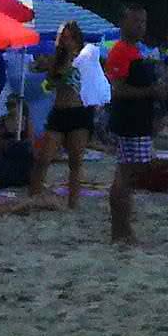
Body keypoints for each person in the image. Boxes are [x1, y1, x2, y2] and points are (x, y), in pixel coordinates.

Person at [103, 8, 158, 245]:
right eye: (135, 21)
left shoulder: (135, 51)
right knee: (126, 175)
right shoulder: (120, 52)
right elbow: (118, 89)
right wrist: (151, 91)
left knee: (130, 174)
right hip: (129, 121)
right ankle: (120, 231)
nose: (140, 26)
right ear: (123, 22)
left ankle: (124, 229)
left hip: (139, 120)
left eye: (143, 21)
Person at [52, 32, 107, 208]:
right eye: (63, 37)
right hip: (60, 111)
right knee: (44, 157)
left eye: (69, 37)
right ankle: (36, 194)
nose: (66, 41)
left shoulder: (86, 58)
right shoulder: (56, 62)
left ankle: (73, 202)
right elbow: (48, 86)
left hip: (80, 111)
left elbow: (94, 81)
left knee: (75, 160)